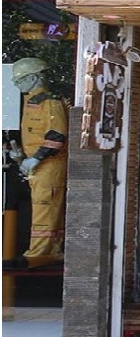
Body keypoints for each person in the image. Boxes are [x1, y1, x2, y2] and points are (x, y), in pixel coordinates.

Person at [7, 57, 68, 269]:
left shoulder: (49, 102)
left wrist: (36, 157)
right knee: (47, 207)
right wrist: (22, 155)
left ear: (34, 77)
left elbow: (57, 134)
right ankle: (52, 250)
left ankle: (38, 253)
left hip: (49, 166)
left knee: (45, 207)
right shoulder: (32, 102)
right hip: (38, 167)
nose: (17, 84)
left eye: (20, 80)